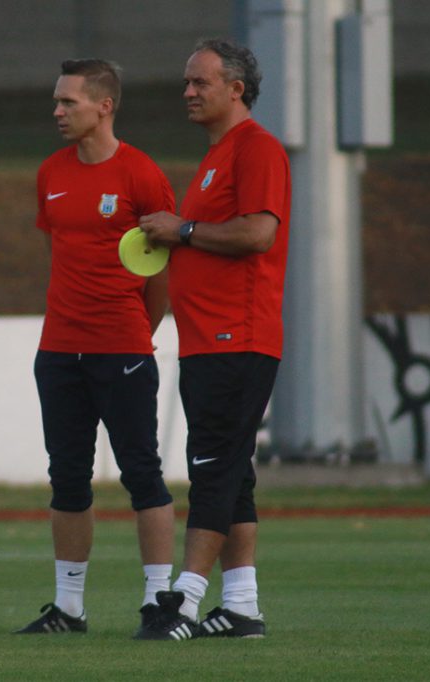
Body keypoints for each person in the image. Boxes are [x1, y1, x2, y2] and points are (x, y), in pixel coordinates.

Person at [16, 58, 178, 638]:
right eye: (57, 101)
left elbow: (160, 272)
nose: (57, 111)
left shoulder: (141, 174)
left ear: (104, 106)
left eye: (69, 102)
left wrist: (133, 333)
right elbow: (60, 255)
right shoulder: (50, 173)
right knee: (67, 479)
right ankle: (69, 608)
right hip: (59, 350)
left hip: (122, 349)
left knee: (142, 474)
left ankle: (158, 602)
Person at [136, 38, 291, 640]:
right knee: (233, 474)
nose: (188, 92)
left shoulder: (257, 148)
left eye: (200, 82)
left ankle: (185, 600)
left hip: (236, 337)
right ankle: (242, 605)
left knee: (214, 470)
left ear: (236, 89)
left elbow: (257, 234)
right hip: (210, 340)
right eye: (186, 82)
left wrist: (184, 229)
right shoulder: (217, 155)